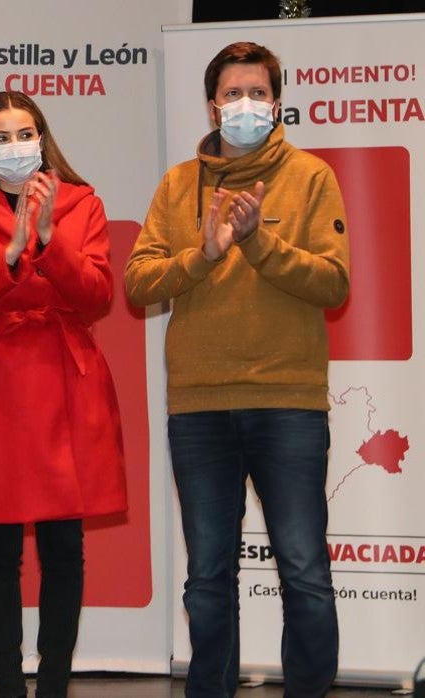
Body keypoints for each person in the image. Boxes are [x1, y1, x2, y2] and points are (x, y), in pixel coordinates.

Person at [125, 42, 347, 698]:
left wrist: (259, 243)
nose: (243, 105)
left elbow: (334, 283)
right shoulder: (176, 184)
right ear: (212, 104)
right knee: (207, 580)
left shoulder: (311, 178)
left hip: (289, 404)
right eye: (231, 94)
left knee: (305, 573)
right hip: (199, 409)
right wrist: (205, 254)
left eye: (256, 93)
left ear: (276, 104)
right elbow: (139, 282)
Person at [0, 91, 127, 698]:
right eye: (2, 136)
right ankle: (6, 685)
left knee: (62, 545)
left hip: (64, 381)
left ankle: (53, 684)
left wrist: (50, 239)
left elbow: (97, 295)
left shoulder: (82, 202)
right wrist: (13, 254)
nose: (16, 146)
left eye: (26, 134)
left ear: (43, 139)